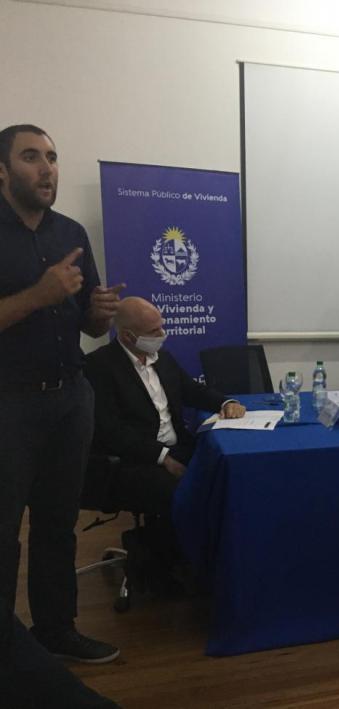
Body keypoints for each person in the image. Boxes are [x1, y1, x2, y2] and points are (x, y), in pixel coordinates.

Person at [0, 124, 122, 664]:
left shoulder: (70, 232)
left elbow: (90, 327)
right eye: (31, 157)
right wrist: (38, 295)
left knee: (57, 524)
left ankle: (57, 631)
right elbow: (36, 302)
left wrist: (98, 313)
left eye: (51, 157)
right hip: (8, 404)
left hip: (71, 399)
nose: (47, 168)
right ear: (2, 170)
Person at [83, 297, 245, 585]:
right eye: (154, 331)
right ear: (128, 336)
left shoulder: (164, 359)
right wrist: (161, 457)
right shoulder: (100, 366)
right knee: (182, 489)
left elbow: (194, 392)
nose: (162, 335)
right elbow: (111, 432)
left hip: (176, 446)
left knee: (225, 469)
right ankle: (172, 565)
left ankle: (213, 558)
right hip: (132, 461)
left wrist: (227, 401)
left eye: (161, 327)